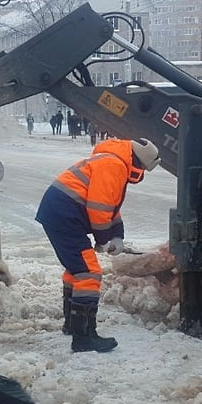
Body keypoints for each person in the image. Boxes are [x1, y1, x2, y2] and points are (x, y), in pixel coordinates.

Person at [35, 137, 161, 353]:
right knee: (88, 272)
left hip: (58, 213)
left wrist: (117, 235)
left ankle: (72, 325)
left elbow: (110, 206)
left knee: (77, 270)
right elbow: (99, 207)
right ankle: (84, 337)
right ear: (139, 163)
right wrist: (103, 239)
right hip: (65, 215)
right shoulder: (114, 165)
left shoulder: (111, 160)